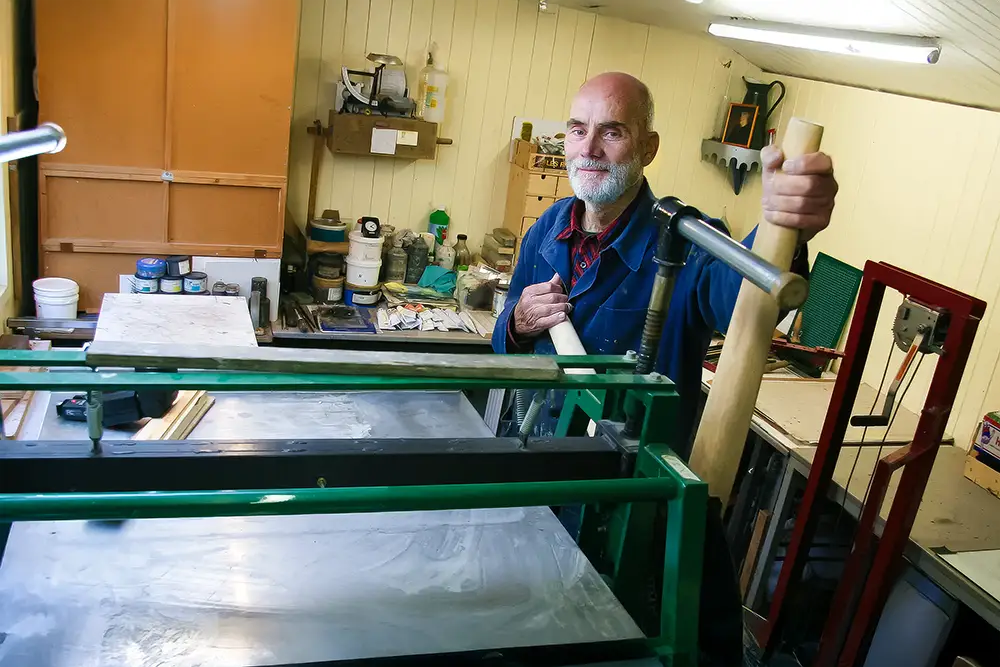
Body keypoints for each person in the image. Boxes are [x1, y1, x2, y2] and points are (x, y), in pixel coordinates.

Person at [491, 72, 837, 666]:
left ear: (648, 149)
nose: (590, 148)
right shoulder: (547, 230)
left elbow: (746, 295)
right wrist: (519, 321)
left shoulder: (686, 241)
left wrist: (784, 227)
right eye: (579, 129)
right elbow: (505, 351)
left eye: (613, 132)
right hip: (537, 483)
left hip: (626, 515)